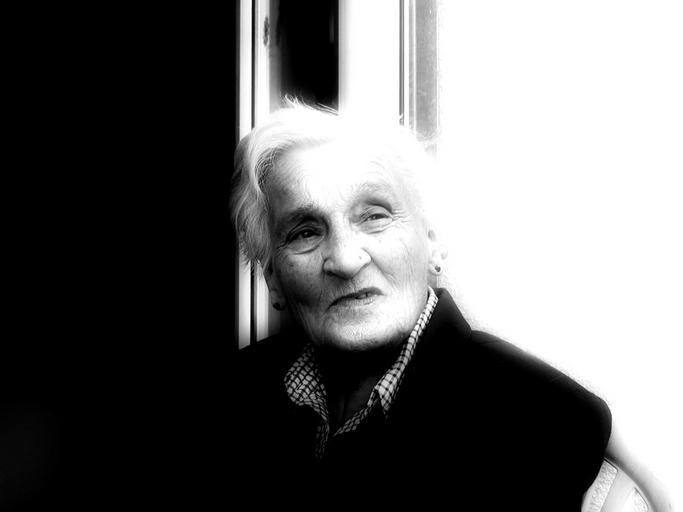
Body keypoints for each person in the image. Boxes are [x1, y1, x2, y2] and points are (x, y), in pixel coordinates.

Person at [229, 101, 611, 510]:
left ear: (432, 241)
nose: (345, 259)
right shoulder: (236, 392)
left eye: (374, 217)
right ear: (273, 278)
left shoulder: (543, 417)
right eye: (305, 232)